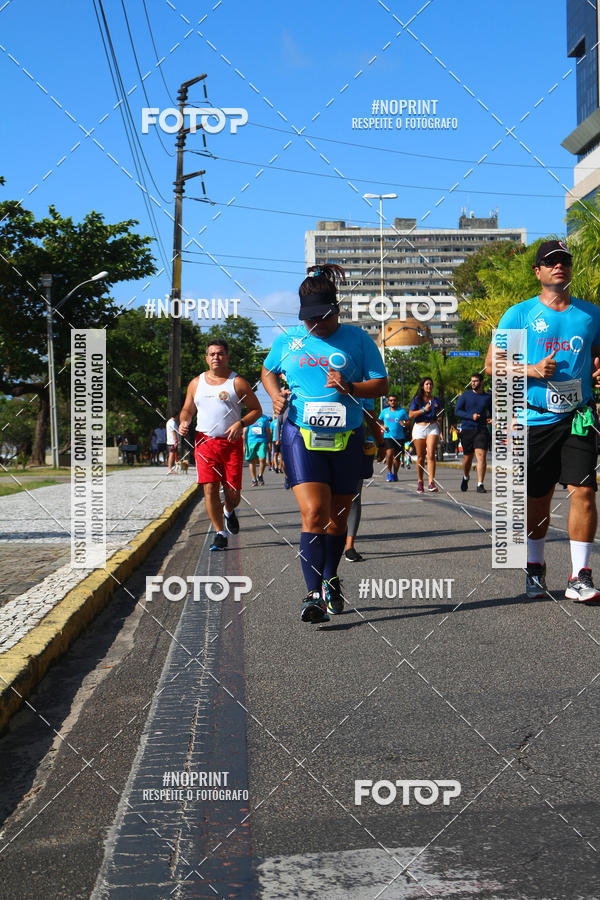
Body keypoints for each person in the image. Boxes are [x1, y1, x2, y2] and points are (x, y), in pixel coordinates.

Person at [262, 264, 388, 622]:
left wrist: (351, 387)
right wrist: (274, 395)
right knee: (314, 513)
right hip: (301, 434)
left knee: (337, 519)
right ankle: (313, 595)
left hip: (347, 437)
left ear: (337, 310)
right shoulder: (288, 341)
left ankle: (330, 576)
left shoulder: (358, 340)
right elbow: (268, 370)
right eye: (309, 318)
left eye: (322, 317)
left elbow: (381, 384)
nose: (315, 325)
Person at [485, 239, 600, 602]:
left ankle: (580, 576)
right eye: (551, 262)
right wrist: (531, 369)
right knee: (538, 500)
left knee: (584, 492)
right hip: (533, 419)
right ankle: (535, 565)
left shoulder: (590, 315)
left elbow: (597, 355)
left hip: (578, 416)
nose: (559, 266)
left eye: (564, 261)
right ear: (538, 271)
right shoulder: (519, 315)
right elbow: (491, 366)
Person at [179, 339, 262, 551]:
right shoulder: (196, 383)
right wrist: (184, 421)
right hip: (205, 443)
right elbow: (187, 410)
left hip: (231, 444)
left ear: (227, 357)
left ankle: (229, 511)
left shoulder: (237, 383)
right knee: (210, 488)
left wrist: (241, 423)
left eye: (220, 353)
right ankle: (219, 533)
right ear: (206, 358)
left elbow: (256, 410)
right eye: (212, 354)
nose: (216, 357)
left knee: (233, 494)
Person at [345, 400, 385, 562]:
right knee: (323, 497)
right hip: (317, 444)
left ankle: (349, 546)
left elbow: (370, 414)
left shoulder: (360, 385)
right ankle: (326, 540)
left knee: (354, 495)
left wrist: (380, 443)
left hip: (353, 440)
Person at [455, 373, 493, 493]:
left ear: (481, 382)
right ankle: (466, 477)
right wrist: (471, 416)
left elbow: (492, 412)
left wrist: (492, 419)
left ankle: (480, 484)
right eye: (472, 381)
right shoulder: (465, 396)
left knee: (481, 456)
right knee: (468, 458)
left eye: (476, 381)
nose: (473, 383)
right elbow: (457, 411)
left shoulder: (488, 397)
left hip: (481, 430)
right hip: (467, 429)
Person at [408, 377, 443, 493]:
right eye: (427, 384)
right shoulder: (417, 400)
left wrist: (439, 417)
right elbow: (411, 415)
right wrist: (423, 409)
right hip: (419, 428)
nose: (429, 386)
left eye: (431, 384)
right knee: (421, 456)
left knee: (431, 454)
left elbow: (439, 413)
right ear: (422, 386)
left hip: (432, 427)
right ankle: (420, 481)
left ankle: (431, 482)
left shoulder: (436, 400)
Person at [378, 394, 410, 481]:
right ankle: (389, 473)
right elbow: (378, 421)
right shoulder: (384, 411)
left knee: (397, 457)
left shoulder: (402, 411)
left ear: (397, 401)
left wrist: (404, 424)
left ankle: (395, 474)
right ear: (388, 402)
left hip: (400, 437)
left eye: (394, 400)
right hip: (388, 436)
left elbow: (408, 422)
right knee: (389, 454)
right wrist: (382, 426)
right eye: (391, 400)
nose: (393, 402)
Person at [244, 412, 271, 485]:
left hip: (262, 441)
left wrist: (269, 442)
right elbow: (245, 430)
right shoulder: (249, 416)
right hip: (250, 441)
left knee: (262, 459)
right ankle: (254, 479)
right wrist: (244, 444)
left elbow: (268, 431)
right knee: (251, 460)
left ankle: (260, 475)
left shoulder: (264, 418)